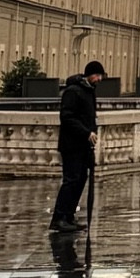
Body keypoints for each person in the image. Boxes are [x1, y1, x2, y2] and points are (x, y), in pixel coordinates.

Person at [48, 61, 104, 233]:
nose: (100, 79)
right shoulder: (72, 92)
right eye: (97, 75)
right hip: (72, 145)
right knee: (71, 180)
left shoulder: (89, 91)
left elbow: (89, 117)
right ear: (90, 75)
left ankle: (69, 216)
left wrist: (91, 133)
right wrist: (86, 133)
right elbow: (67, 117)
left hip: (84, 145)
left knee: (80, 180)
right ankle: (59, 218)